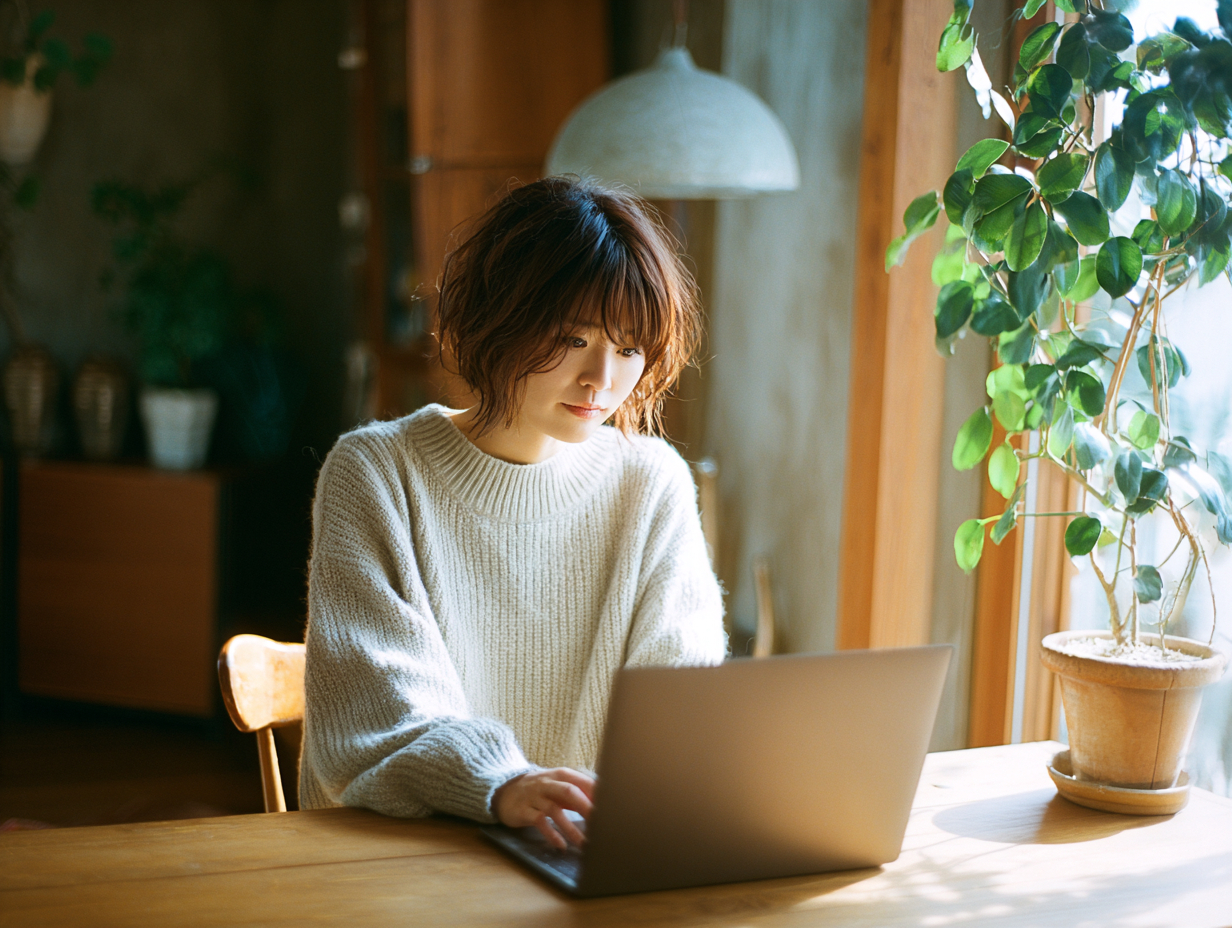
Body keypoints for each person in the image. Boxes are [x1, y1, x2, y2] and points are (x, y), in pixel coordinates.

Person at [299, 176, 727, 849]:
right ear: (502, 318)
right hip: (408, 861)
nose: (602, 381)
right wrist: (500, 784)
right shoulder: (378, 474)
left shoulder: (653, 484)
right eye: (573, 338)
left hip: (585, 857)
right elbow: (376, 714)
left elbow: (685, 699)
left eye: (627, 348)